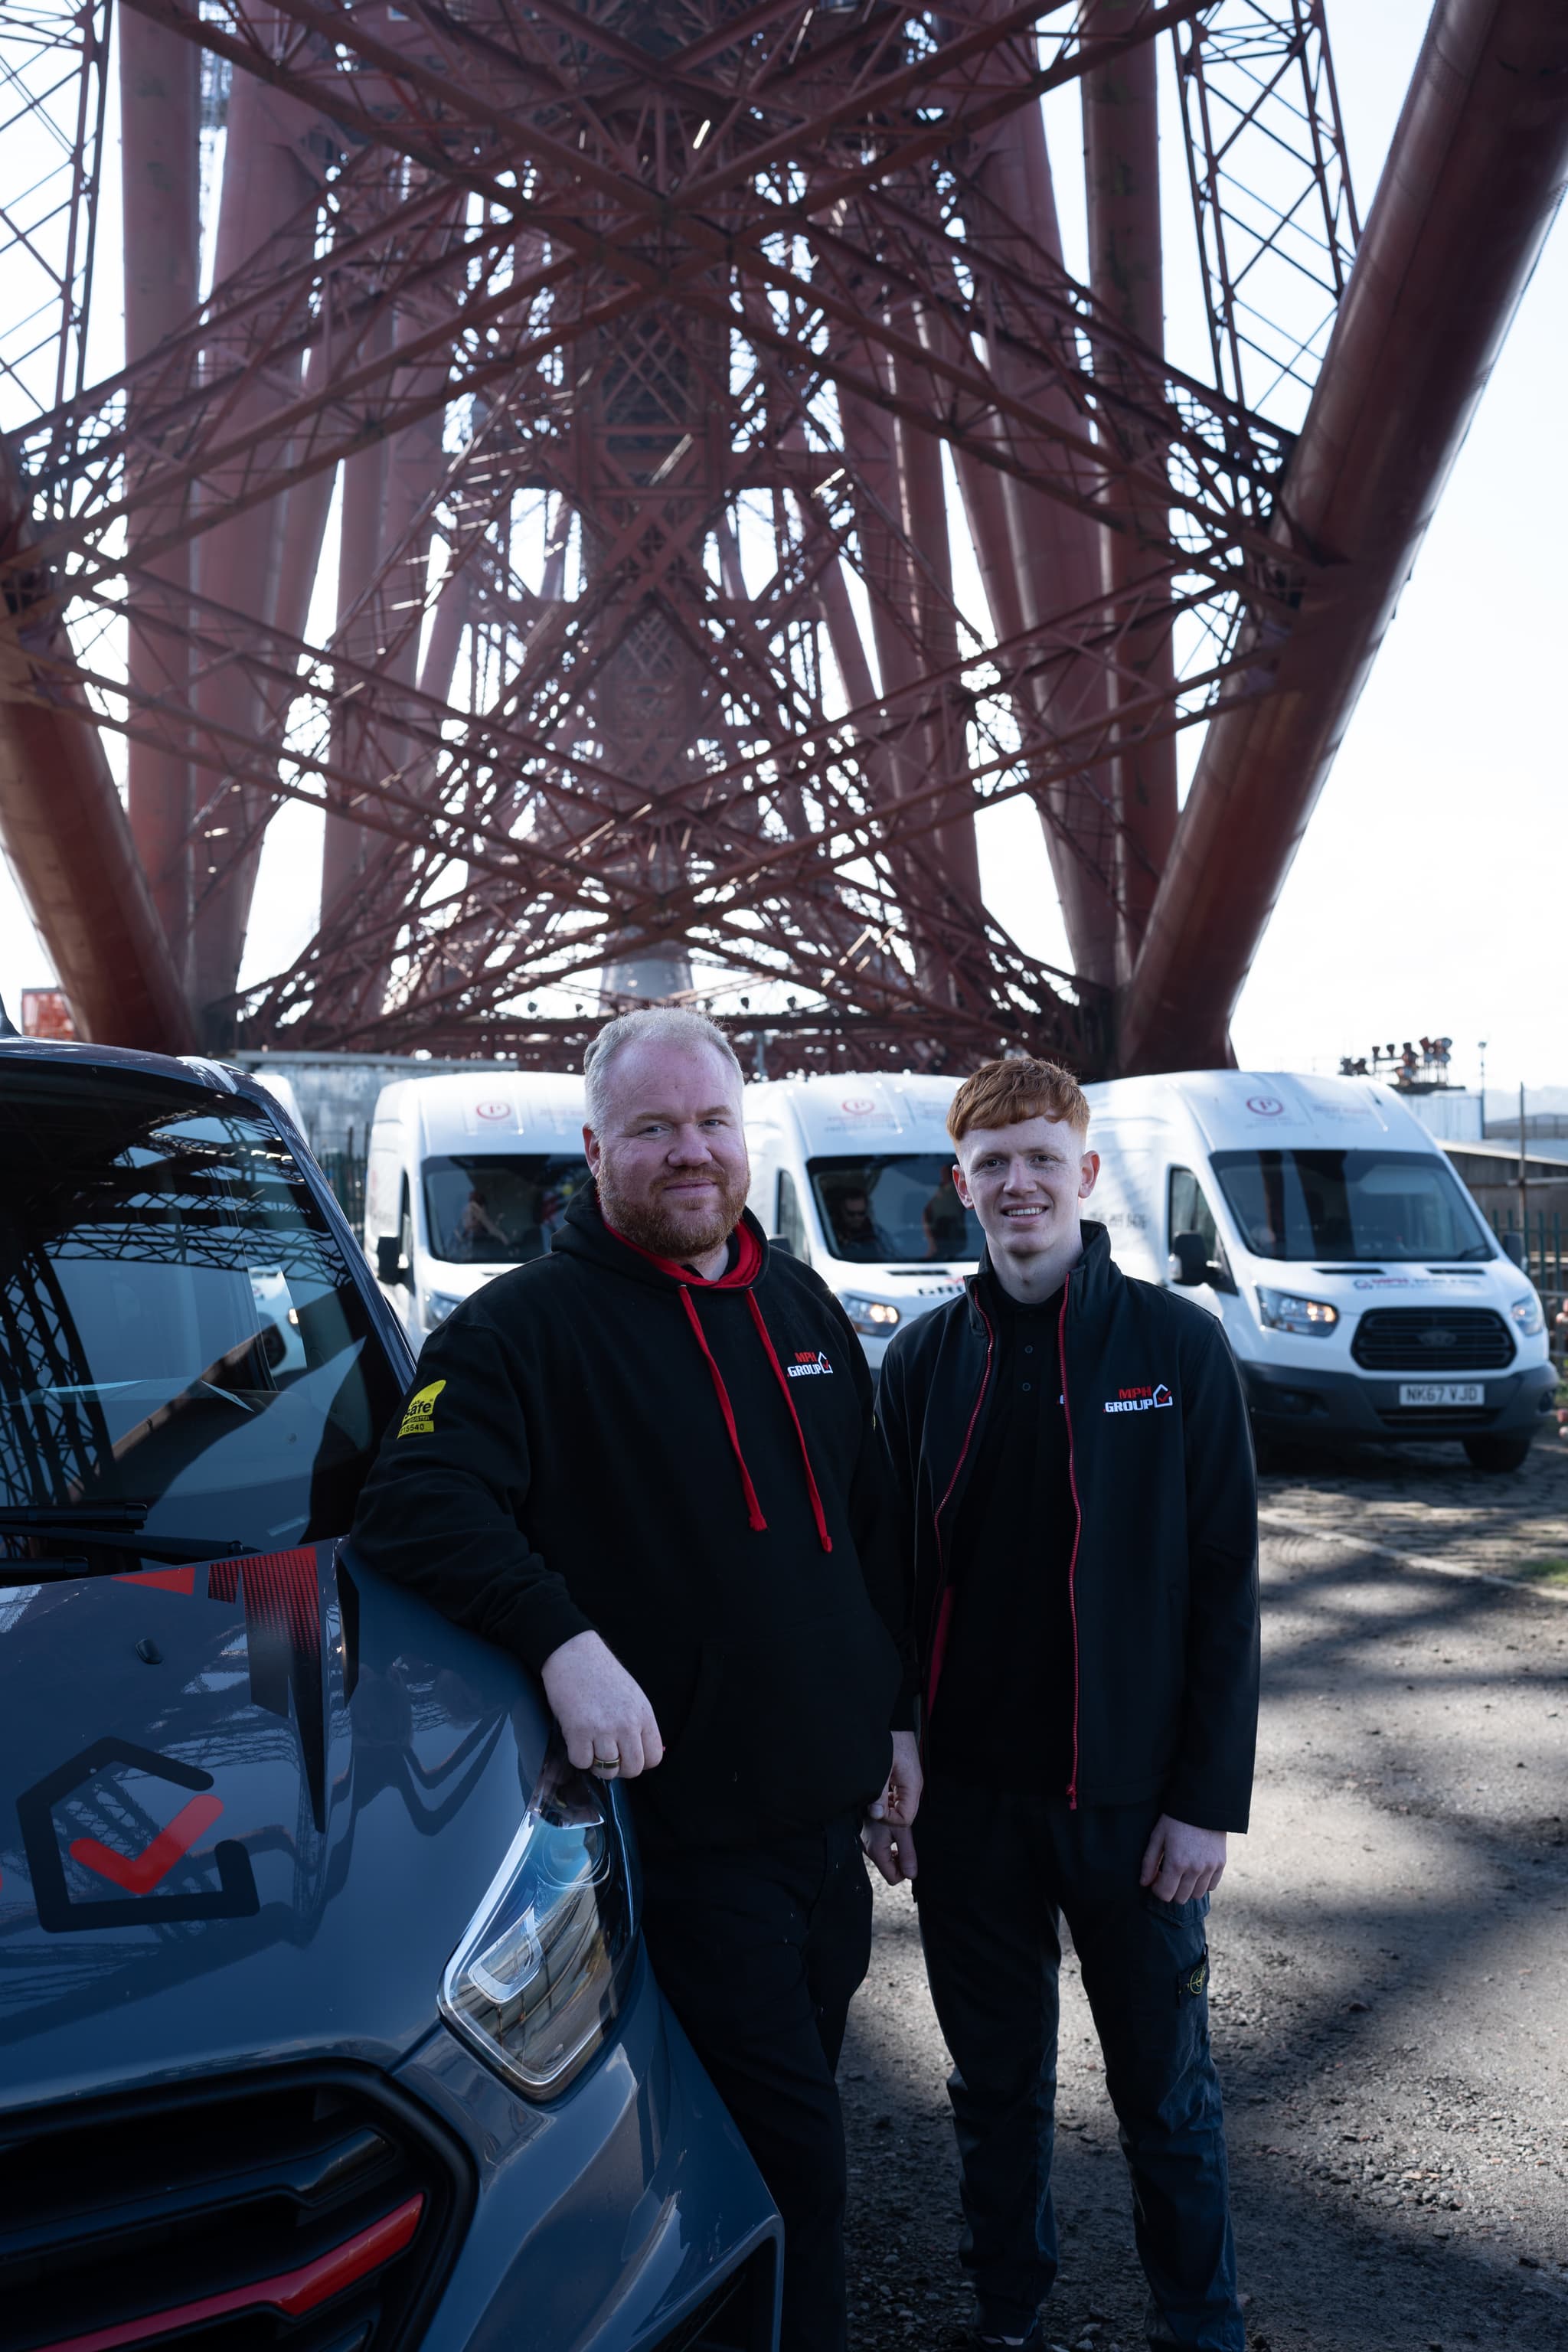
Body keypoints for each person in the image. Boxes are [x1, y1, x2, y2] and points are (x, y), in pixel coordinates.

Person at [351, 1007, 920, 2352]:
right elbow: (416, 1501)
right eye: (655, 1129)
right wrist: (562, 1641)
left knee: (772, 2140)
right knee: (799, 2169)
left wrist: (893, 1719)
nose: (691, 1152)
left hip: (825, 1840)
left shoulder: (799, 1305)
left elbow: (869, 1525)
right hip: (687, 1848)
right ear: (594, 1146)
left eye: (714, 1124)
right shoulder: (519, 1331)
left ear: (747, 1137)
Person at [878, 1056, 1259, 2352]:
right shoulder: (923, 1361)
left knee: (1167, 2095)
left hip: (1135, 1806)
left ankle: (1200, 2324)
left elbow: (1224, 1588)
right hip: (974, 1806)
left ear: (1086, 1173)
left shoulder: (1175, 1348)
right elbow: (885, 1582)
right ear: (962, 1186)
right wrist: (892, 1759)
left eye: (1043, 1158)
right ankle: (1006, 2315)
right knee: (996, 2092)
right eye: (994, 1164)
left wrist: (1206, 1805)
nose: (1020, 1183)